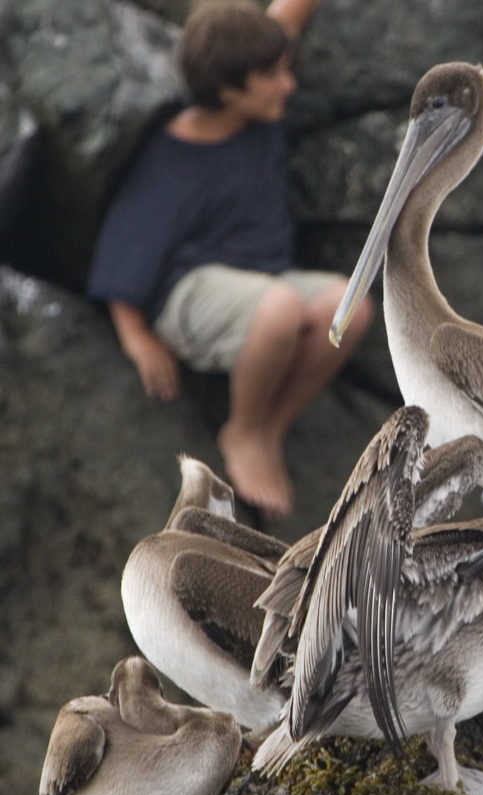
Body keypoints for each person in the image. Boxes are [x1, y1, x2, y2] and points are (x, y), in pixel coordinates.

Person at [87, 0, 372, 519]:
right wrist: (136, 338)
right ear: (227, 90)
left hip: (267, 281)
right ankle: (242, 430)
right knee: (281, 307)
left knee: (347, 305)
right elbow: (123, 249)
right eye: (272, 76)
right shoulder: (169, 160)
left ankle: (270, 426)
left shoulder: (260, 110)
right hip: (190, 295)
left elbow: (282, 22)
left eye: (285, 69)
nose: (288, 84)